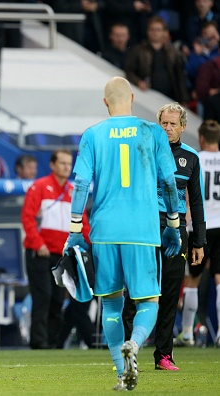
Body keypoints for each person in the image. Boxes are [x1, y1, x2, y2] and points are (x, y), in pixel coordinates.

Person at [65, 77, 181, 391]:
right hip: (142, 230)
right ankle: (136, 343)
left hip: (104, 230)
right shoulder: (153, 132)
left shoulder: (92, 135)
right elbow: (169, 184)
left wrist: (75, 231)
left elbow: (79, 186)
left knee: (112, 306)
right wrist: (173, 226)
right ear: (132, 97)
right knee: (149, 301)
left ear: (105, 102)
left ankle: (121, 373)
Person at [123, 103, 206, 370]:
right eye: (164, 123)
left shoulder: (191, 157)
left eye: (173, 124)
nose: (168, 128)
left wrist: (199, 242)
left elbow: (197, 201)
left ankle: (163, 355)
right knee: (136, 291)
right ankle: (128, 352)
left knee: (170, 292)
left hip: (176, 229)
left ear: (183, 126)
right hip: (144, 226)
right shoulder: (143, 151)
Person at [21, 149, 90, 349]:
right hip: (40, 253)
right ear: (52, 165)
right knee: (42, 296)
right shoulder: (39, 187)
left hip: (62, 255)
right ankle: (39, 342)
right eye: (62, 163)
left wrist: (86, 246)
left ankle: (52, 342)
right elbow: (28, 218)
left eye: (69, 164)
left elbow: (83, 225)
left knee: (58, 299)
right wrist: (38, 243)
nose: (67, 167)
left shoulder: (73, 192)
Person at [177, 119, 220, 348]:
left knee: (192, 279)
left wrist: (185, 221)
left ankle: (187, 333)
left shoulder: (196, 158)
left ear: (201, 138)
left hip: (199, 227)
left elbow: (187, 195)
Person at [125, 16, 190, 104]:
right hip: (147, 95)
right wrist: (138, 82)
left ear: (164, 32)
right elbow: (129, 71)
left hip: (170, 96)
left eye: (158, 30)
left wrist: (184, 99)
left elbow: (180, 77)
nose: (155, 33)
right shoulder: (138, 50)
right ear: (147, 31)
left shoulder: (173, 52)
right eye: (152, 29)